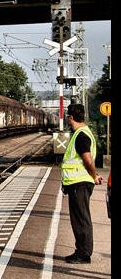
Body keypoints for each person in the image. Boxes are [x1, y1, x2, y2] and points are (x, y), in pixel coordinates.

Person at [60, 103, 103, 264]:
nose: (68, 121)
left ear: (71, 118)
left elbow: (87, 159)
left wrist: (93, 176)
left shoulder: (81, 135)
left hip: (79, 183)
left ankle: (84, 253)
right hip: (79, 182)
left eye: (68, 118)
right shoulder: (83, 133)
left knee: (81, 219)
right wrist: (95, 175)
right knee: (79, 218)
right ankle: (81, 250)